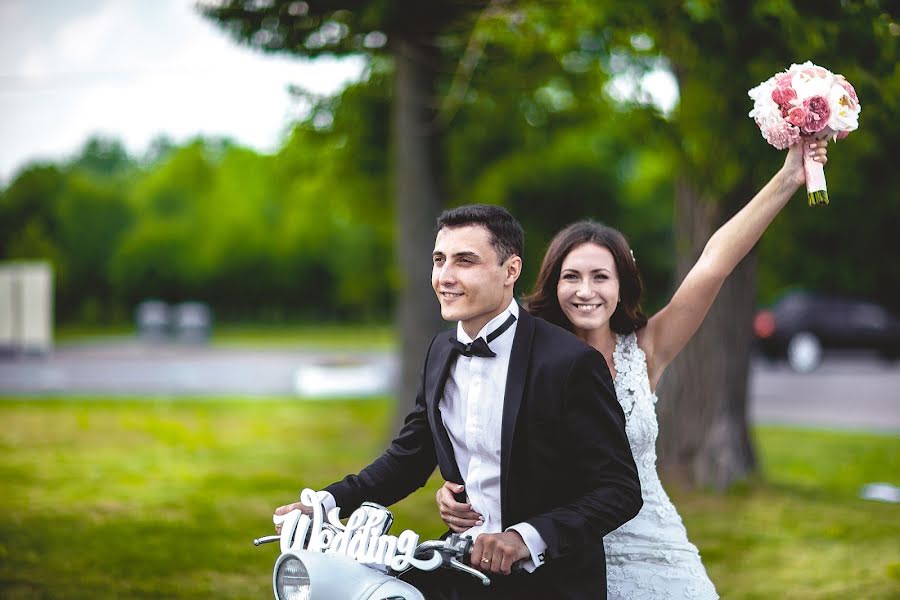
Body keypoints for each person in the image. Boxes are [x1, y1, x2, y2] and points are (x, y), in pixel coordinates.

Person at [435, 141, 829, 598]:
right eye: (571, 276)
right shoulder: (521, 354)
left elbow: (714, 264)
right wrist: (455, 492)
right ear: (551, 283)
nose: (586, 292)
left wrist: (787, 178)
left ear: (622, 285)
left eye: (601, 277)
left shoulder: (646, 349)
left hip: (654, 545)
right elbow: (482, 437)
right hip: (563, 551)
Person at [275, 204, 643, 599]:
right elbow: (409, 458)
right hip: (456, 567)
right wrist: (327, 503)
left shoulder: (569, 362)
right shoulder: (439, 351)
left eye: (465, 261)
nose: (445, 277)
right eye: (439, 261)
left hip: (551, 581)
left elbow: (619, 489)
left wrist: (523, 538)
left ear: (510, 271)